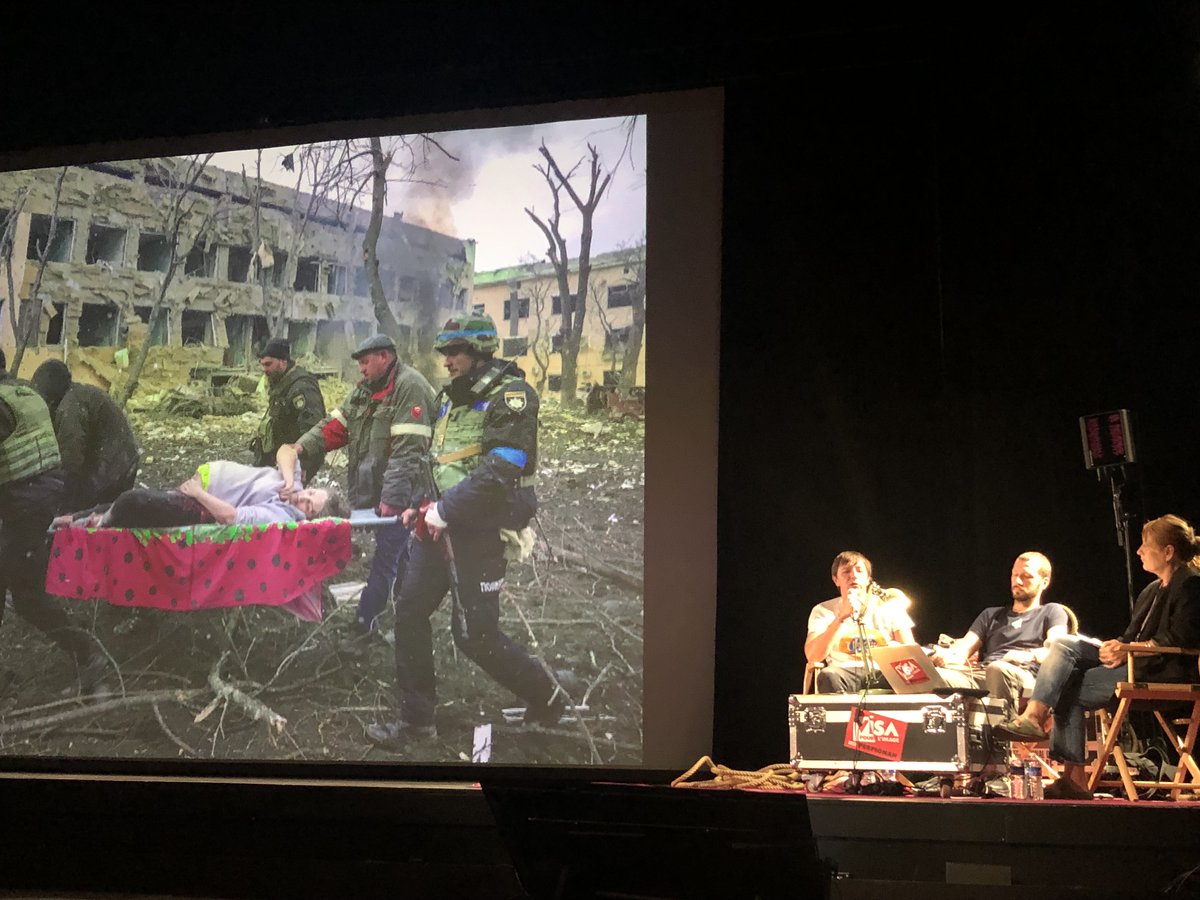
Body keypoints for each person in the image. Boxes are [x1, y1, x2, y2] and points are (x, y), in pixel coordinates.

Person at [367, 313, 568, 749]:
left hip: (480, 531)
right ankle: (418, 722)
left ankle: (548, 695)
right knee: (409, 612)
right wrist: (420, 505)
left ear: (479, 352)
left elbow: (502, 468)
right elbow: (436, 461)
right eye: (444, 353)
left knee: (475, 637)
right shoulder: (448, 399)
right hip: (438, 528)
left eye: (455, 352)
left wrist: (445, 509)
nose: (447, 360)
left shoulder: (512, 397)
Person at [996, 515, 1200, 800]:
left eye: (1145, 545)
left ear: (1168, 552)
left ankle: (1072, 775)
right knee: (1066, 644)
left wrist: (1131, 650)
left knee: (1066, 683)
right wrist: (1116, 646)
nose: (1139, 551)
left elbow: (1183, 639)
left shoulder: (1190, 584)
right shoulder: (1151, 590)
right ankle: (1036, 718)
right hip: (1135, 661)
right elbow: (1130, 637)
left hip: (1164, 670)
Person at [293, 334, 436, 650]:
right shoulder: (364, 393)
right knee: (400, 554)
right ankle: (413, 608)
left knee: (385, 558)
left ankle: (363, 626)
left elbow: (409, 452)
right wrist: (300, 447)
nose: (360, 369)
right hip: (375, 490)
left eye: (365, 363)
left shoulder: (409, 388)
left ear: (384, 357)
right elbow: (333, 428)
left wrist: (393, 500)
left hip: (405, 494)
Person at [0, 349, 103, 690]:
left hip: (23, 503)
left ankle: (88, 654)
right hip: (37, 499)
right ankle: (86, 652)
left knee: (24, 591)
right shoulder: (23, 393)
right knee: (25, 593)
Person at [929, 552, 1071, 714]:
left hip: (1024, 675)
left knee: (998, 669)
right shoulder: (991, 615)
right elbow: (962, 652)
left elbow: (1058, 651)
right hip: (983, 674)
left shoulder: (1052, 611)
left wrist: (1029, 655)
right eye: (1015, 575)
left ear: (1044, 582)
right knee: (933, 677)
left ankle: (1004, 730)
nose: (1017, 581)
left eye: (1026, 577)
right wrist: (944, 656)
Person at [58, 455, 347, 528]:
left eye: (309, 507)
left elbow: (232, 517)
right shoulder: (293, 487)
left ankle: (85, 525)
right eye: (311, 493)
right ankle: (71, 519)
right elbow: (288, 450)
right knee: (122, 502)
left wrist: (198, 493)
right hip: (199, 487)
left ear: (308, 520)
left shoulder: (281, 517)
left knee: (130, 502)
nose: (303, 498)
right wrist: (287, 477)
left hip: (200, 503)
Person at [30, 359, 140, 512]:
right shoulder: (79, 394)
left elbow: (71, 462)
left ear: (50, 398)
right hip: (121, 462)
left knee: (79, 514)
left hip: (112, 469)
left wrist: (63, 506)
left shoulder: (69, 408)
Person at [805, 550, 918, 692]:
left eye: (859, 571)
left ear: (868, 579)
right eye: (846, 571)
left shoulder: (891, 606)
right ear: (836, 579)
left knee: (909, 677)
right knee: (828, 676)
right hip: (842, 672)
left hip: (883, 671)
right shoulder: (822, 610)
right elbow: (813, 656)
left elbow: (909, 650)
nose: (853, 576)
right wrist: (840, 618)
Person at [249, 338, 326, 482]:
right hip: (278, 458)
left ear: (283, 362)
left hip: (294, 461)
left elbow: (313, 430)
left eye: (268, 364)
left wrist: (303, 465)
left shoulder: (302, 387)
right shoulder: (281, 382)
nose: (264, 370)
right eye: (263, 365)